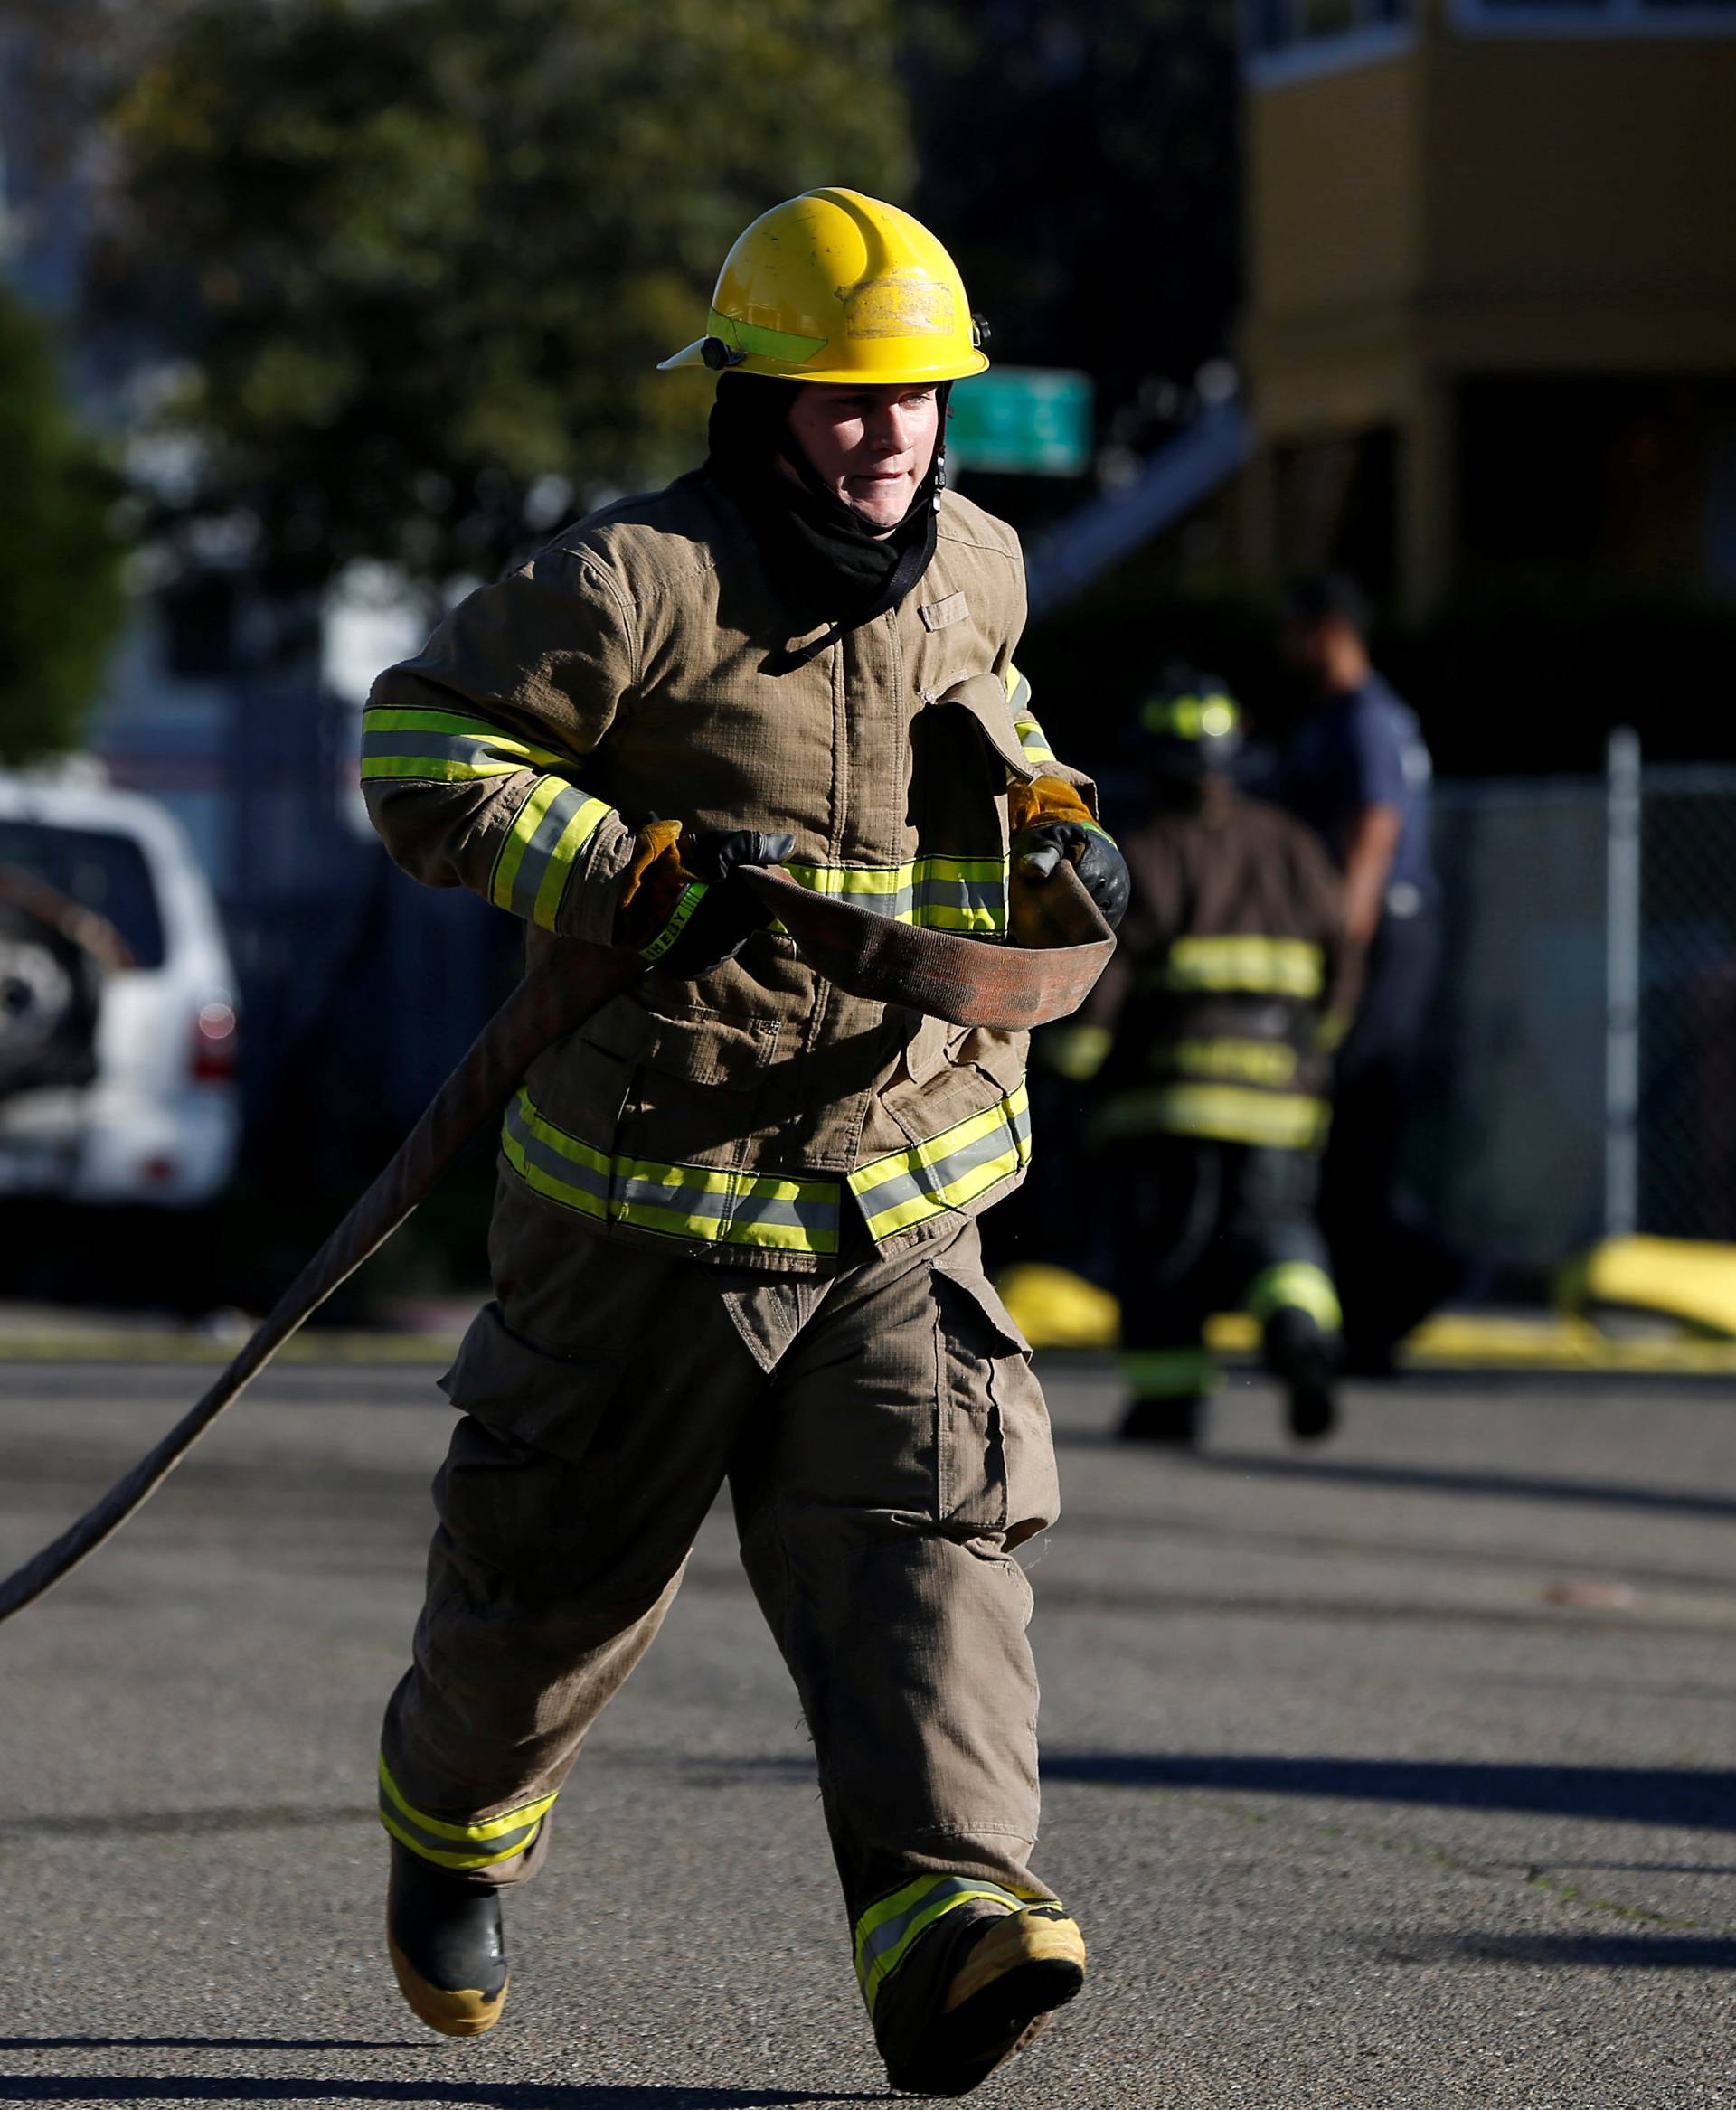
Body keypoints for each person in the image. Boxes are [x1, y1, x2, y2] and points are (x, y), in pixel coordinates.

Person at [358, 188, 1127, 2097]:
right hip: (641, 1213)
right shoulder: (638, 583)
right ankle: (454, 1834)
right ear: (754, 399)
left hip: (896, 1191)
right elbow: (423, 751)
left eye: (914, 401)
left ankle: (951, 1924)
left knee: (928, 1551)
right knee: (544, 1603)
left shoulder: (980, 566)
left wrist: (1055, 816)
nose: (884, 436)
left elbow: (995, 715)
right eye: (837, 399)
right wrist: (622, 871)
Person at [1043, 670, 1354, 1446]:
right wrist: (1317, 1051)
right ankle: (1299, 1329)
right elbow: (1346, 956)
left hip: (1164, 1106)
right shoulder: (1292, 846)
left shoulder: (1143, 853)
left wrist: (1067, 1067)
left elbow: (1103, 978)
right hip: (1282, 1100)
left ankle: (1169, 1404)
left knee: (1165, 1257)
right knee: (1279, 1234)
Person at [1279, 575, 1457, 1372]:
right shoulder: (1337, 718)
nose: (1288, 646)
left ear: (1328, 630)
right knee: (1350, 1126)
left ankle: (1412, 1283)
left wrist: (1342, 950)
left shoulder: (1364, 720)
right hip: (1381, 936)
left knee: (1359, 1116)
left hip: (1385, 938)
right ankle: (1374, 1311)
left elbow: (1375, 836)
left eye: (1297, 628)